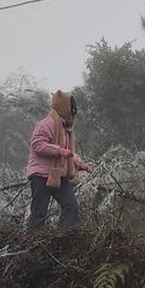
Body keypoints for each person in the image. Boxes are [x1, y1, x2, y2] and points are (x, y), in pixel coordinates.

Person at [25, 90, 92, 231]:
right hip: (41, 175)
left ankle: (61, 238)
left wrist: (81, 164)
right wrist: (59, 151)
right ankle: (32, 245)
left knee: (71, 206)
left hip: (58, 176)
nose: (73, 113)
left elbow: (69, 153)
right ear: (64, 108)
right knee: (39, 214)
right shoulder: (47, 124)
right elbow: (37, 145)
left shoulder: (65, 128)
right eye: (71, 109)